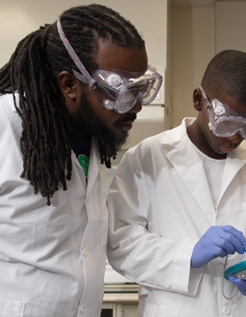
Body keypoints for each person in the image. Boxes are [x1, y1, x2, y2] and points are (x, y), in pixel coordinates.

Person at [0, 4, 162, 317]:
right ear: (70, 84)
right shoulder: (6, 124)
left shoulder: (91, 134)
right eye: (121, 92)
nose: (137, 106)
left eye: (140, 89)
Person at [107, 49, 246, 317]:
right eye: (227, 122)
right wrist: (188, 253)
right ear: (198, 100)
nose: (236, 137)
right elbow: (120, 245)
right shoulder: (146, 158)